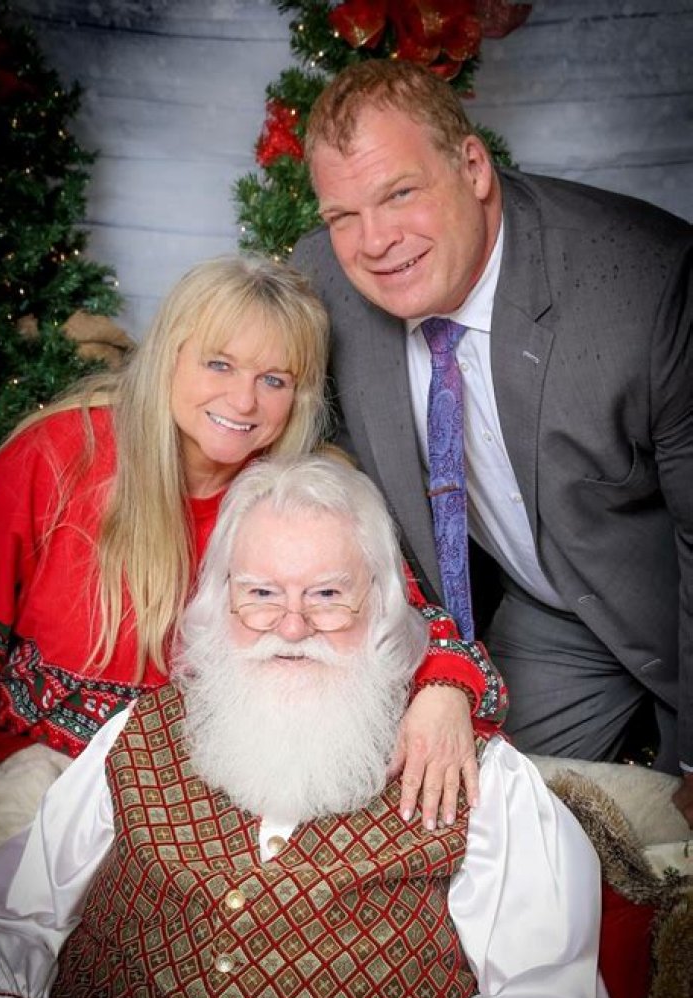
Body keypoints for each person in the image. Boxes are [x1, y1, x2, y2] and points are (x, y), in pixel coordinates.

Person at [0, 456, 642, 998]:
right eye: (261, 592)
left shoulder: (481, 777)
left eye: (327, 594)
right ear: (220, 600)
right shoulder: (137, 734)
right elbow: (10, 922)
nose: (291, 627)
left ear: (382, 606)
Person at [291, 59, 693, 824]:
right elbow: (318, 474)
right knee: (471, 822)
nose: (375, 241)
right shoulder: (323, 279)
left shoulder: (647, 283)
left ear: (473, 167)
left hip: (674, 605)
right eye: (343, 215)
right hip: (551, 615)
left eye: (400, 193)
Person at [0, 252, 506, 826]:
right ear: (170, 356)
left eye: (273, 379)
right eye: (219, 365)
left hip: (203, 798)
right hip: (41, 773)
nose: (244, 401)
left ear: (298, 396)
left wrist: (444, 691)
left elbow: (408, 621)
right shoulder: (61, 453)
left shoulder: (301, 498)